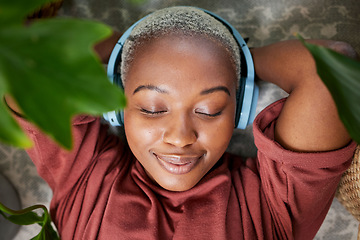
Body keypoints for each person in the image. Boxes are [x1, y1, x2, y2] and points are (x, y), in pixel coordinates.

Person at [6, 6, 358, 240]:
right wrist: (120, 50)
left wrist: (239, 63)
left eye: (208, 110)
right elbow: (21, 49)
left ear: (239, 110)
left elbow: (331, 68)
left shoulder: (270, 207)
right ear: (117, 105)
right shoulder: (84, 178)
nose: (180, 137)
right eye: (153, 108)